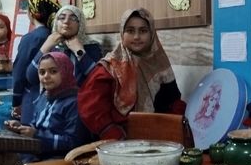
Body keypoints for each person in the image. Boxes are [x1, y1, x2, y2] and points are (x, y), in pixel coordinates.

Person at [78, 8, 186, 140]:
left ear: (152, 33)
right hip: (119, 142)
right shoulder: (109, 67)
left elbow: (173, 101)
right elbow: (91, 106)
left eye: (143, 31)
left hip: (158, 139)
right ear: (122, 33)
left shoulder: (159, 64)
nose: (136, 37)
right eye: (130, 31)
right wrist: (112, 132)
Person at [6, 52, 90, 163]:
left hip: (61, 159)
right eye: (42, 72)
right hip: (39, 152)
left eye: (53, 71)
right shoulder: (44, 97)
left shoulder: (74, 102)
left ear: (65, 72)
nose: (46, 76)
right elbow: (37, 125)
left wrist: (36, 135)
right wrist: (21, 127)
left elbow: (73, 142)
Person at [25, 5, 102, 91]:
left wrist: (79, 51)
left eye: (73, 18)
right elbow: (31, 77)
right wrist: (45, 47)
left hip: (80, 98)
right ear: (56, 22)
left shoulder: (91, 46)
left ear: (80, 24)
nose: (66, 21)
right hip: (53, 98)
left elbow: (98, 79)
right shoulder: (52, 47)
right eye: (62, 18)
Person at [12, 0, 61, 124]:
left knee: (31, 133)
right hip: (56, 100)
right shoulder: (57, 37)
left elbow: (19, 74)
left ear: (30, 13)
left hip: (32, 97)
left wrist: (16, 101)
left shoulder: (29, 39)